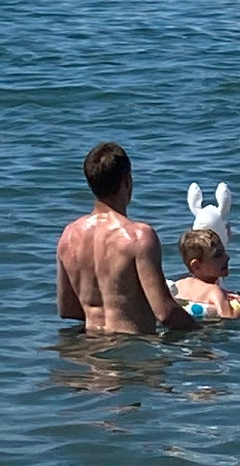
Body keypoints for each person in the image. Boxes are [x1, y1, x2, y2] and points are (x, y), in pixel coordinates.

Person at [57, 143, 198, 335]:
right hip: (132, 352)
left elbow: (67, 309)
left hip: (88, 350)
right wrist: (206, 336)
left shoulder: (69, 237)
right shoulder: (139, 237)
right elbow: (166, 313)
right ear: (127, 181)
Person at [172, 228, 240, 319]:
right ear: (196, 266)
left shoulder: (179, 285)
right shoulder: (214, 291)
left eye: (224, 252)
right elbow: (228, 317)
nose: (227, 257)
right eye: (217, 256)